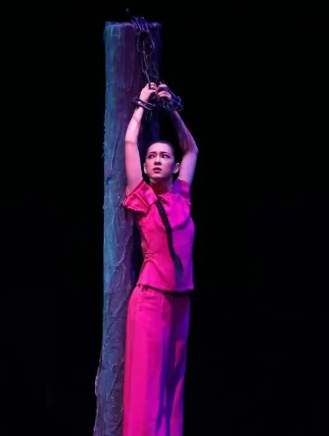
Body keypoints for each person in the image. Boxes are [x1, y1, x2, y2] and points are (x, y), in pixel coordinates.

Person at [121, 82, 199, 436]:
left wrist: (171, 110)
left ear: (174, 165)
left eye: (163, 156)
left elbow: (192, 148)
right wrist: (142, 104)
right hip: (151, 300)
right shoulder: (142, 197)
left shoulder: (182, 194)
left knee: (172, 387)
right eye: (151, 156)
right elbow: (129, 143)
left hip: (181, 301)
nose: (155, 160)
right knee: (147, 389)